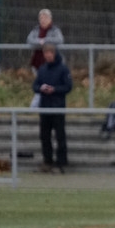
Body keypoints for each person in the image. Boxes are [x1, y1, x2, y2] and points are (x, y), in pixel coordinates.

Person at [32, 43, 73, 173]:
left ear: (54, 54)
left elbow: (68, 87)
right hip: (45, 108)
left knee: (60, 136)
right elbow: (35, 86)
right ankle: (47, 161)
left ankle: (61, 162)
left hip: (58, 107)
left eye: (50, 54)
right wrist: (41, 88)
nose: (48, 56)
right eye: (46, 54)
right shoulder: (42, 69)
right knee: (44, 136)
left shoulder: (63, 69)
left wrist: (54, 90)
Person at [26, 9, 64, 73]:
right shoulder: (35, 30)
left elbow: (60, 40)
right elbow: (29, 40)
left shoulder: (55, 30)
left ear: (50, 19)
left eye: (45, 18)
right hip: (37, 60)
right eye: (41, 18)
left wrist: (45, 40)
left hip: (52, 61)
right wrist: (39, 41)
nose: (43, 20)